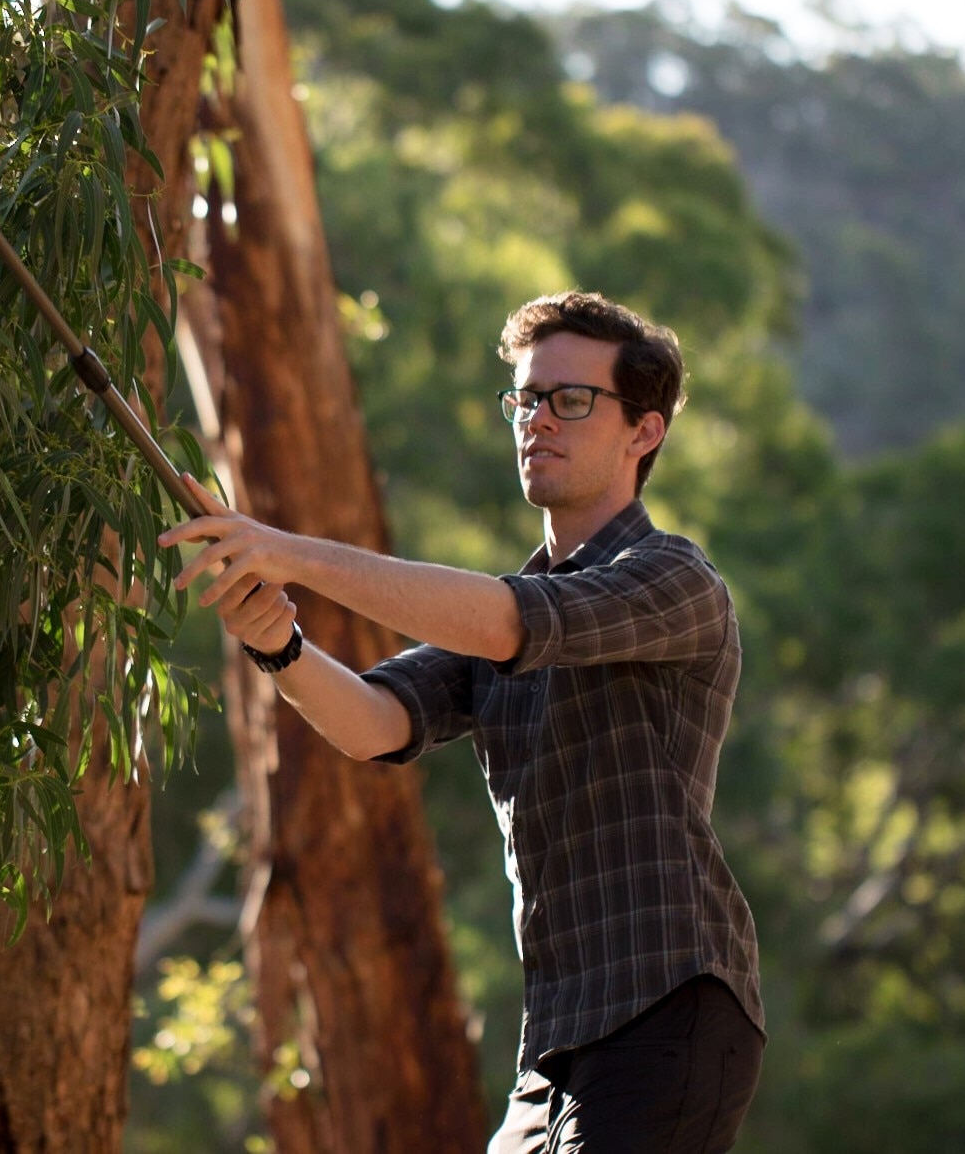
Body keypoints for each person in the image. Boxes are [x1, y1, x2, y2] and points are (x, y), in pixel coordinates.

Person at [158, 290, 765, 1152]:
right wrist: (280, 648)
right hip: (554, 1042)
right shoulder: (498, 615)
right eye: (525, 397)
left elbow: (509, 622)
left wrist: (285, 549)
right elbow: (374, 722)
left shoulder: (672, 580)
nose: (537, 420)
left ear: (644, 431)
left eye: (571, 399)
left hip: (670, 1005)